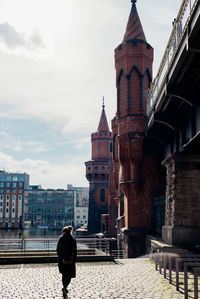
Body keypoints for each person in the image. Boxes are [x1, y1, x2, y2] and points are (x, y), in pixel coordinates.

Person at [56, 226, 77, 297]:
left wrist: (60, 257)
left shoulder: (61, 239)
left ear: (63, 232)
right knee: (69, 275)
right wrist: (74, 259)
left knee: (64, 275)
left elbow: (57, 250)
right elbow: (75, 251)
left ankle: (64, 288)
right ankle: (65, 287)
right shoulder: (73, 239)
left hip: (62, 260)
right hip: (71, 260)